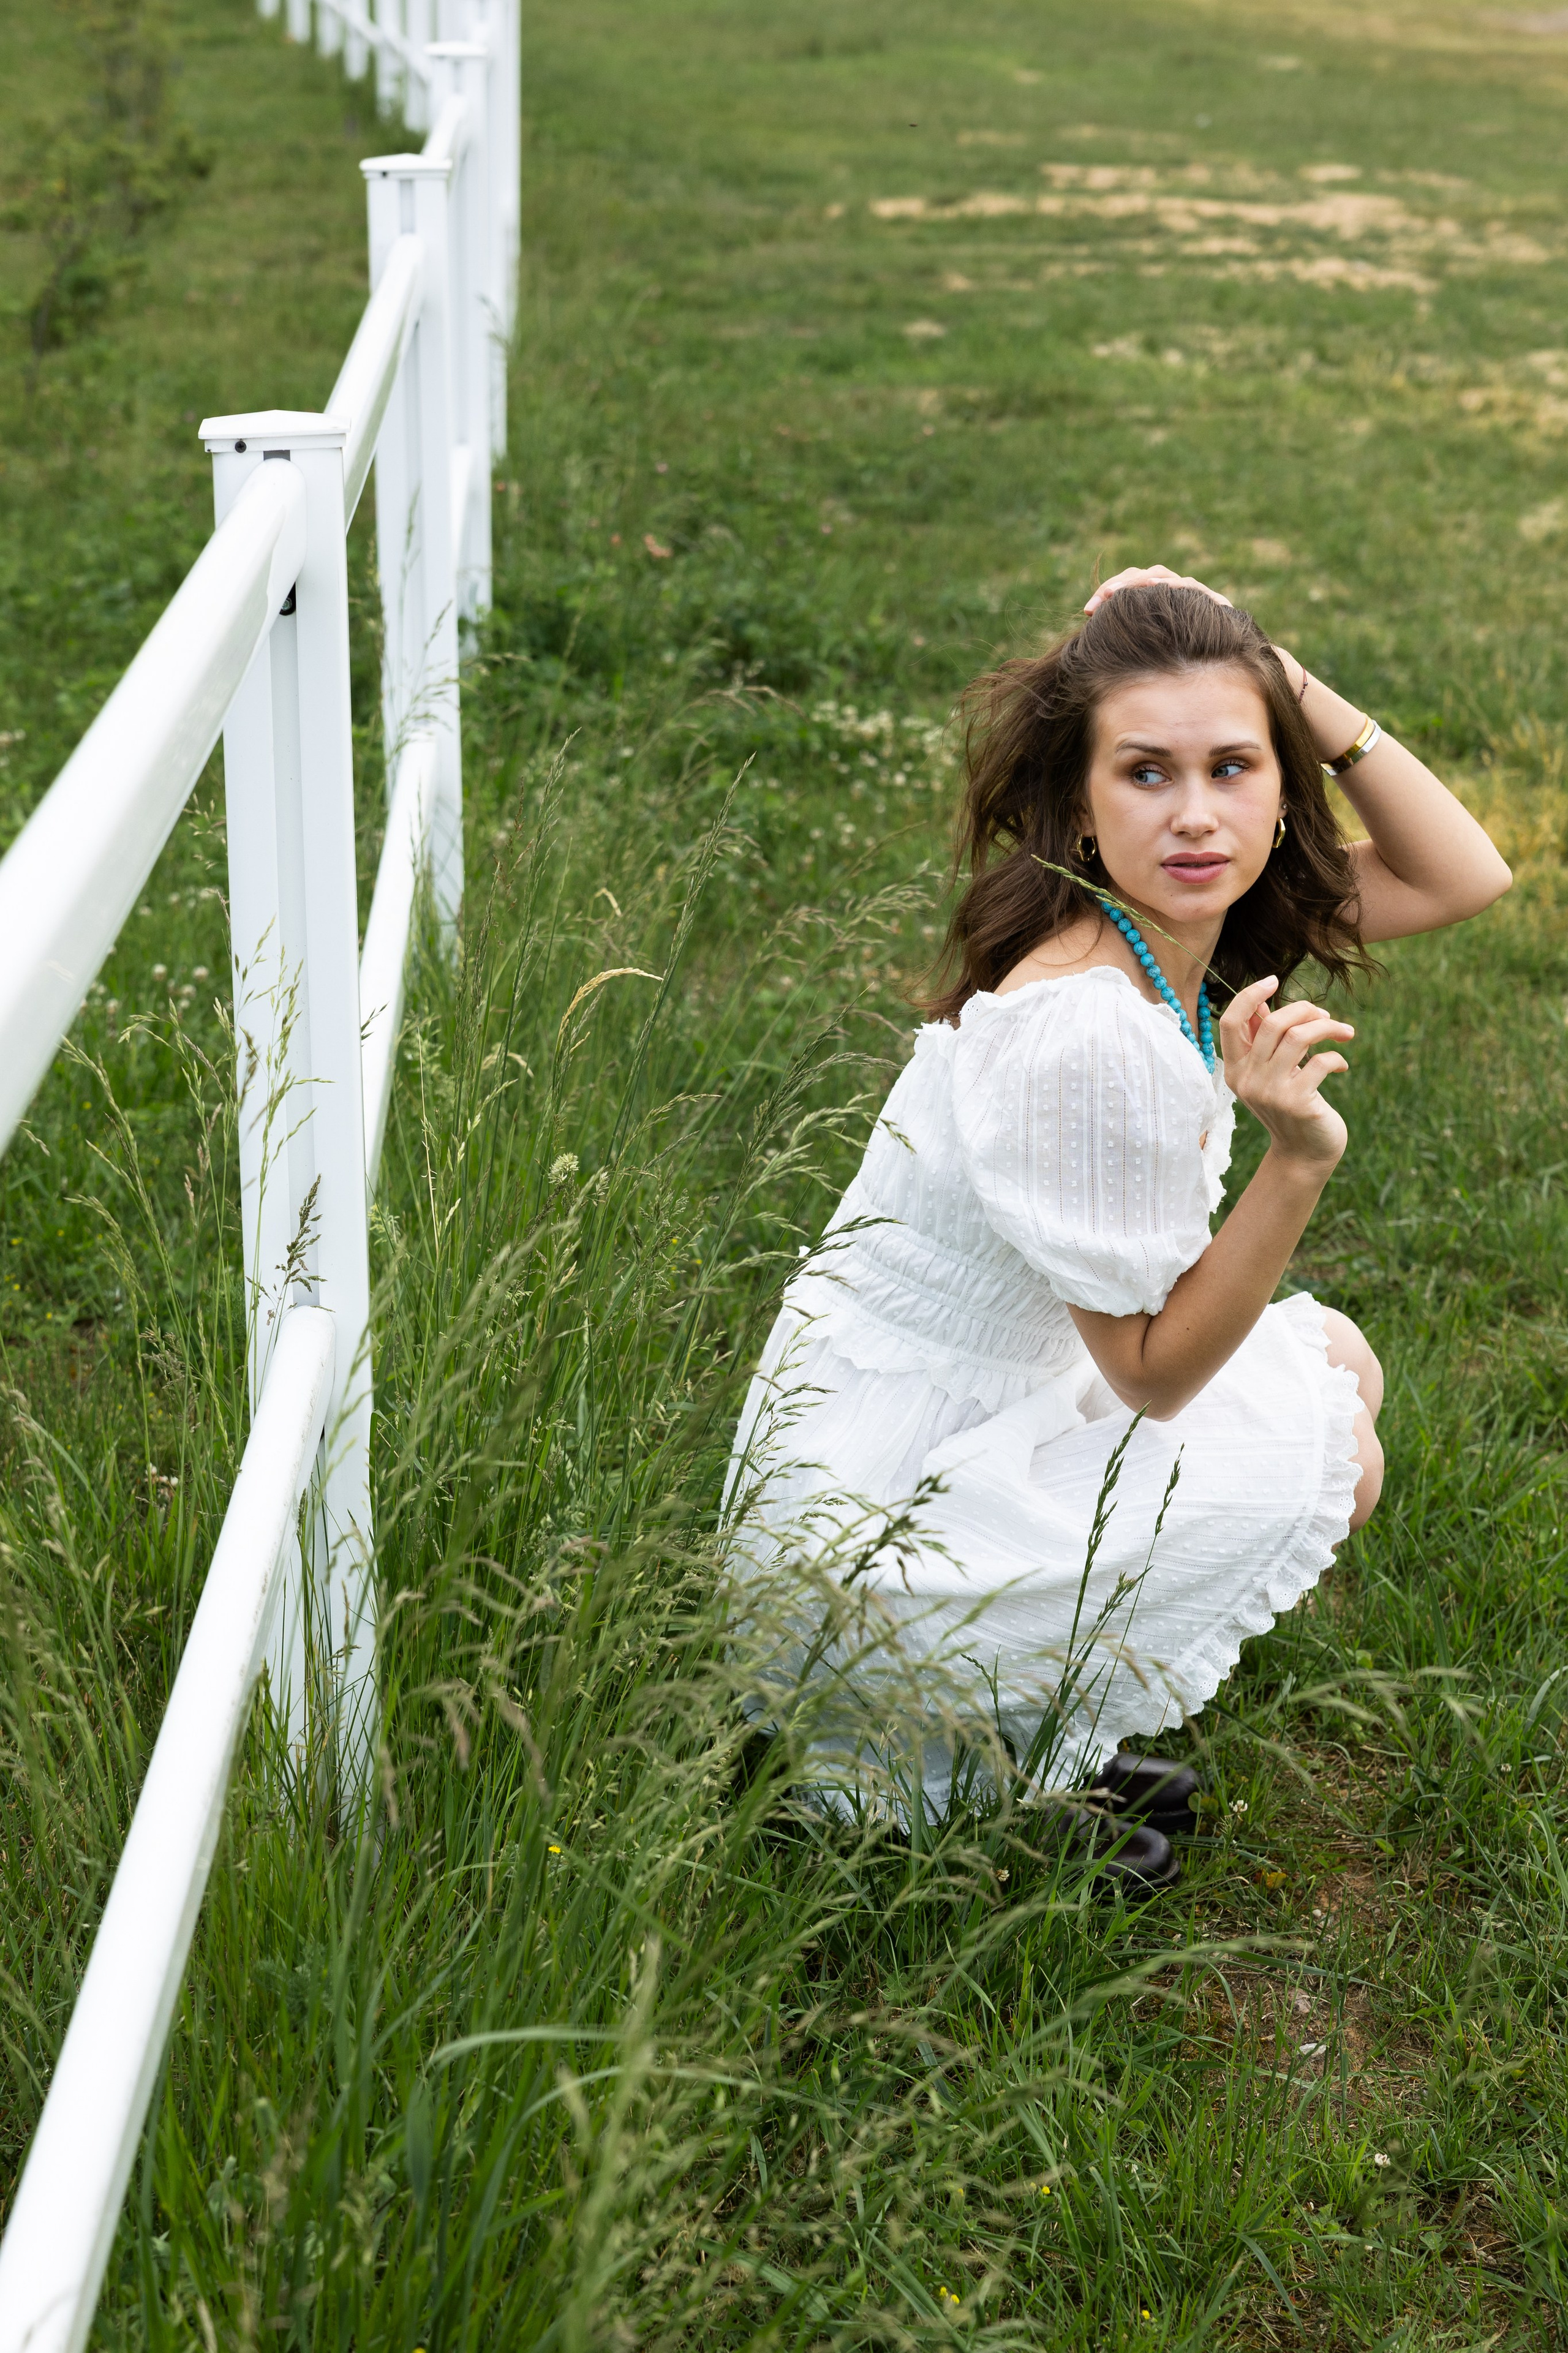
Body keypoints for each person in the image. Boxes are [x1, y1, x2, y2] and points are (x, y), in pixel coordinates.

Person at [728, 568, 1511, 1885]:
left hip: (951, 1415)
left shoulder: (1173, 928)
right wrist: (1295, 1162)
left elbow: (1463, 873)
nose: (1196, 814)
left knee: (1337, 1379)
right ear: (1080, 808)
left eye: (1233, 766)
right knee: (1331, 1441)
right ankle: (947, 1777)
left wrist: (1281, 675)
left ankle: (1018, 1733)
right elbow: (1150, 1374)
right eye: (1145, 773)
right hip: (879, 1529)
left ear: (1281, 785)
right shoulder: (1083, 1027)